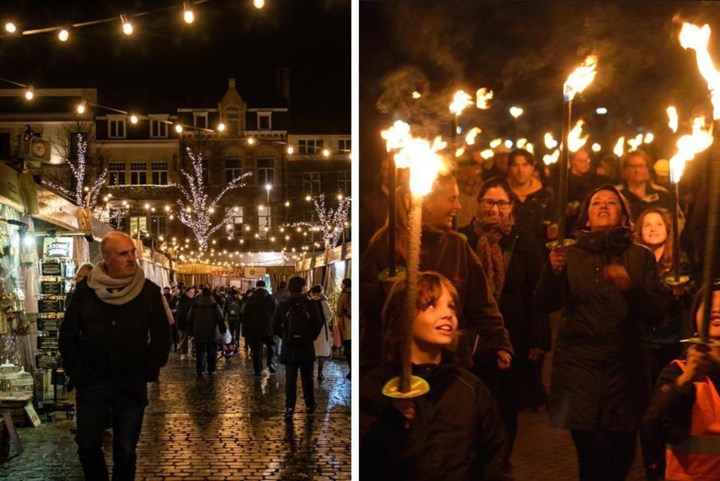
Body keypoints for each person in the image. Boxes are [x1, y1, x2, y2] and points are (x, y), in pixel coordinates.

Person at [533, 185, 666, 481]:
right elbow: (544, 302)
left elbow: (656, 314)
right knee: (591, 460)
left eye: (611, 203)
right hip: (579, 373)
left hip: (626, 374)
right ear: (587, 218)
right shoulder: (569, 255)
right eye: (596, 203)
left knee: (621, 460)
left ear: (623, 216)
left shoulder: (639, 257)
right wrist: (552, 272)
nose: (603, 206)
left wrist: (630, 287)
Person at [360, 271, 507, 481]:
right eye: (432, 304)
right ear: (403, 315)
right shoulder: (377, 387)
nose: (447, 314)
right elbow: (367, 463)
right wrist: (392, 422)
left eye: (451, 306)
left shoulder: (470, 389)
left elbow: (495, 461)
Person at [361, 174, 512, 377]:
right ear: (425, 201)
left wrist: (498, 341)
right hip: (397, 364)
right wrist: (386, 291)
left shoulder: (458, 245)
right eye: (451, 199)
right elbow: (363, 297)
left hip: (450, 363)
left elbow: (482, 302)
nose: (458, 206)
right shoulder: (387, 244)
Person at [59, 231, 171, 481]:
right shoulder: (86, 291)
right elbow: (68, 334)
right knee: (87, 447)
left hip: (130, 383)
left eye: (132, 252)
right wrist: (76, 369)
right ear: (107, 257)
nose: (132, 258)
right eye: (123, 254)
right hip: (92, 381)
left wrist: (148, 370)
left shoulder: (148, 291)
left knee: (125, 452)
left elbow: (162, 336)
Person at [459, 176, 551, 474]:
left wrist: (539, 337)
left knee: (507, 406)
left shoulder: (523, 241)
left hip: (514, 336)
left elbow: (537, 292)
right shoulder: (464, 239)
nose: (494, 209)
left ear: (511, 206)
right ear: (479, 203)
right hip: (473, 338)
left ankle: (500, 461)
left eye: (501, 203)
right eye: (489, 202)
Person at [634, 207, 694, 480]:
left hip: (670, 340)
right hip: (643, 341)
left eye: (659, 223)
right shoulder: (636, 262)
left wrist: (683, 292)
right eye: (648, 224)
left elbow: (689, 302)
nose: (654, 228)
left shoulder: (679, 261)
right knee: (646, 404)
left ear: (669, 230)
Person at [644, 282, 720, 481]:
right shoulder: (678, 372)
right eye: (709, 304)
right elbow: (653, 425)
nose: (717, 308)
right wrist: (683, 384)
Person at [273, 276, 324, 420]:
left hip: (289, 348)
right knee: (307, 378)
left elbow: (274, 326)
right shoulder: (310, 304)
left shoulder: (283, 305)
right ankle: (309, 404)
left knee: (290, 379)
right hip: (306, 347)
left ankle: (289, 408)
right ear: (302, 288)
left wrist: (285, 336)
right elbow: (318, 323)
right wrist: (310, 337)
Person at [505, 148, 556, 245]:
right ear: (509, 168)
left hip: (538, 252)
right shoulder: (502, 194)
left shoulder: (544, 196)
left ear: (532, 168)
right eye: (516, 165)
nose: (520, 170)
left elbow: (552, 223)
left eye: (525, 165)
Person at [617, 149, 672, 221]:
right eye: (633, 166)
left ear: (647, 169)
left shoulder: (662, 194)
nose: (637, 170)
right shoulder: (616, 194)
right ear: (624, 170)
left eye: (641, 166)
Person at [187, 287, 226, 376]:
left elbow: (189, 319)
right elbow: (220, 319)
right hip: (212, 333)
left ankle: (199, 370)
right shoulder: (214, 305)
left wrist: (190, 332)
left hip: (198, 332)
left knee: (200, 352)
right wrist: (222, 330)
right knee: (212, 352)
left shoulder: (196, 304)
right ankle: (211, 369)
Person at [243, 280, 278, 375]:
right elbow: (276, 313)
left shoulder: (251, 298)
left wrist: (245, 330)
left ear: (257, 286)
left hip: (254, 328)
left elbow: (245, 314)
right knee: (272, 345)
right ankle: (271, 363)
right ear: (265, 286)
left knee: (257, 350)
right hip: (269, 328)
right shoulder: (271, 298)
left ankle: (257, 369)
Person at [309, 284, 333, 381]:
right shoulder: (323, 303)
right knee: (321, 352)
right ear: (321, 291)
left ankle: (309, 372)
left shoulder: (309, 302)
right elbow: (329, 315)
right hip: (322, 329)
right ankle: (320, 372)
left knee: (310, 350)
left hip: (310, 329)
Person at [336, 278, 352, 380]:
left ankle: (351, 370)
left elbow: (338, 311)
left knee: (349, 349)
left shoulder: (343, 295)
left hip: (347, 326)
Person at [176, 285, 197, 360]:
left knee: (193, 338)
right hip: (183, 322)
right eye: (191, 292)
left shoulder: (194, 300)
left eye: (193, 292)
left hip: (192, 323)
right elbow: (181, 313)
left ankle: (192, 353)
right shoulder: (182, 300)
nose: (192, 294)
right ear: (187, 292)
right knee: (183, 339)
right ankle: (183, 353)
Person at [224, 288, 242, 354]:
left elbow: (225, 310)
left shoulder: (228, 300)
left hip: (230, 318)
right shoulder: (239, 300)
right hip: (237, 318)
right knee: (237, 330)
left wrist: (224, 317)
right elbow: (241, 310)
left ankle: (231, 343)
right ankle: (237, 343)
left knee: (231, 330)